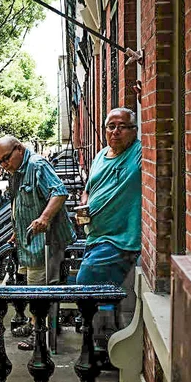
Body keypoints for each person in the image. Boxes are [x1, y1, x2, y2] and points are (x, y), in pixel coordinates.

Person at [0, 135, 76, 350]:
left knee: (40, 289)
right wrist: (16, 231)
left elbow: (59, 192)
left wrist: (45, 217)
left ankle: (40, 333)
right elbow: (20, 204)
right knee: (33, 286)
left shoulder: (37, 165)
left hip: (46, 242)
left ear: (19, 149)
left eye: (6, 159)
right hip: (28, 242)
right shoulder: (17, 170)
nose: (3, 165)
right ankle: (36, 323)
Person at [76, 108, 141, 287]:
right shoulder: (100, 155)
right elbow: (88, 189)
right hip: (94, 237)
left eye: (122, 127)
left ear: (134, 130)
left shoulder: (140, 153)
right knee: (97, 295)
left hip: (119, 241)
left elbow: (161, 141)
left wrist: (145, 101)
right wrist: (85, 202)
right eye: (111, 126)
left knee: (85, 282)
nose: (115, 131)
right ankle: (104, 313)